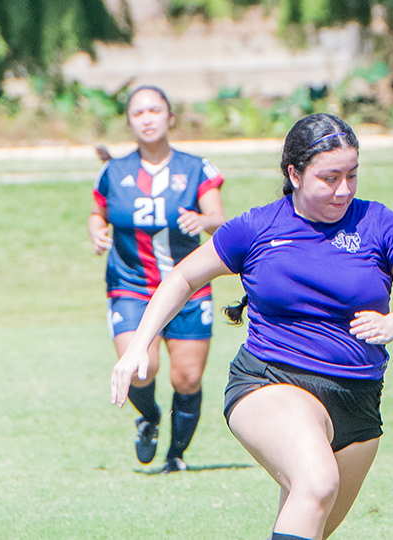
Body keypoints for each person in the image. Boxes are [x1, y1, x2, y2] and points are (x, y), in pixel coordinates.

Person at [109, 113, 393, 540]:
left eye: (352, 175)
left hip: (358, 402)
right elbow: (182, 277)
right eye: (329, 178)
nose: (343, 189)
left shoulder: (376, 223)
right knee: (316, 483)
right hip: (271, 381)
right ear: (294, 173)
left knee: (312, 520)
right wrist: (140, 344)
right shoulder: (257, 228)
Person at [88, 85, 227, 472]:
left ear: (170, 117)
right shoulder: (114, 171)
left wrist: (204, 220)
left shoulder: (196, 167)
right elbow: (98, 212)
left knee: (187, 377)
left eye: (154, 110)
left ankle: (175, 457)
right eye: (138, 113)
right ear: (130, 122)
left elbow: (219, 219)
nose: (147, 118)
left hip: (187, 287)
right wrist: (96, 230)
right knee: (139, 367)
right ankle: (148, 417)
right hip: (131, 285)